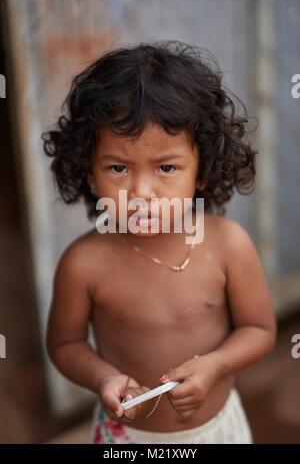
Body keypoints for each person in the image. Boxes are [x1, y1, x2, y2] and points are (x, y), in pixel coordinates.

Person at [42, 41, 276, 444]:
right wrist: (104, 377)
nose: (142, 191)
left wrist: (216, 365)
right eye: (118, 167)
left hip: (217, 431)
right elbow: (65, 343)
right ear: (90, 173)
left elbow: (259, 329)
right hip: (128, 437)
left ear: (202, 169)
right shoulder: (83, 264)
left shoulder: (228, 246)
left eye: (166, 167)